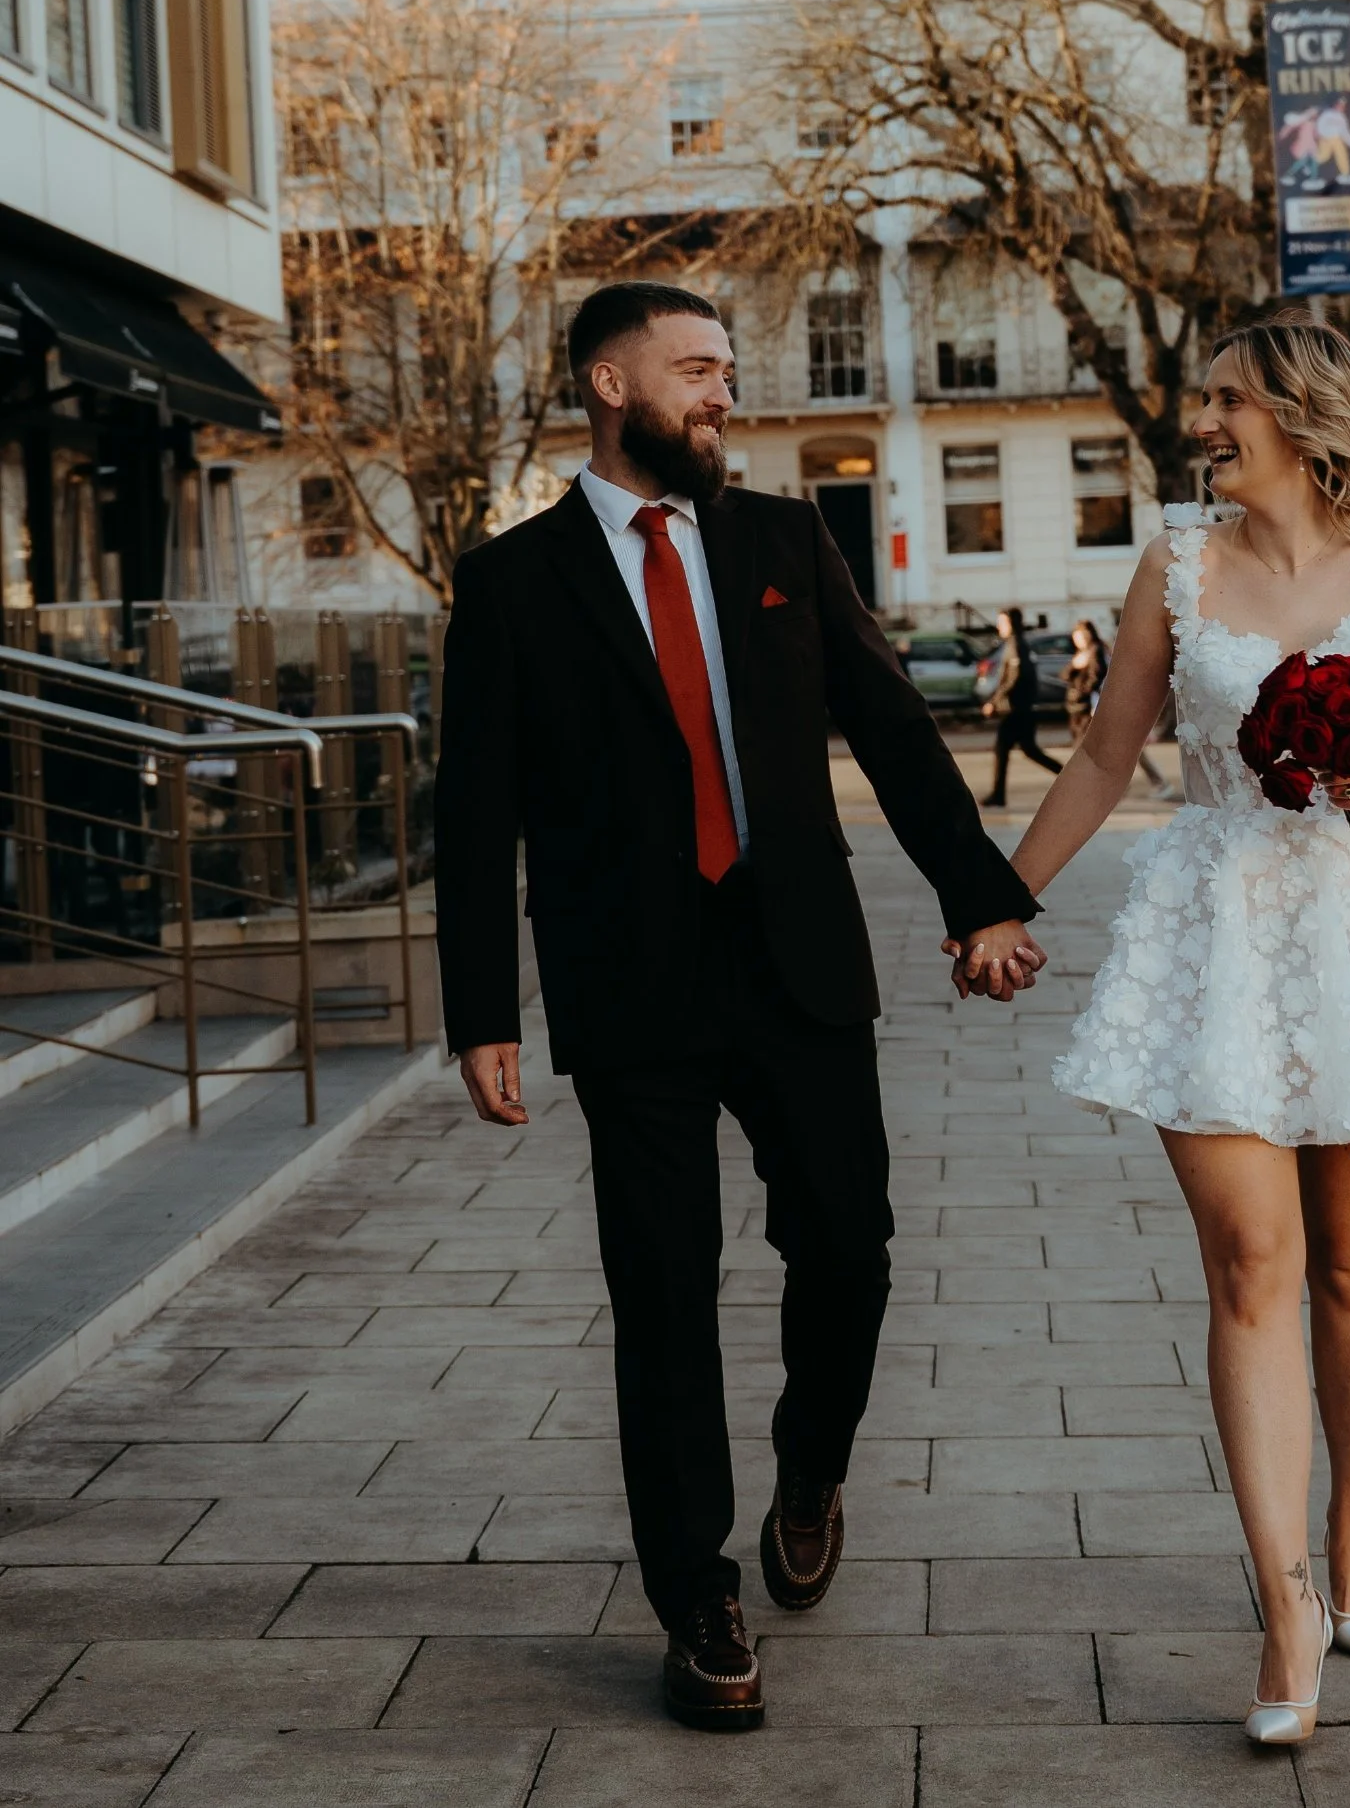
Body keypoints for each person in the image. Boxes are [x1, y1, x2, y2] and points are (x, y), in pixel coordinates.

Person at [433, 282, 1042, 1734]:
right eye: (695, 369)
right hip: (626, 981)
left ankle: (811, 1462)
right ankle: (694, 1596)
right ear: (606, 383)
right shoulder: (513, 583)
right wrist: (479, 1011)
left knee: (849, 1242)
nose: (723, 394)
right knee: (661, 1289)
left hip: (798, 964)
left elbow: (891, 725)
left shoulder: (780, 537)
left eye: (725, 370)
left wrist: (981, 896)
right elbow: (475, 812)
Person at [960, 320, 1350, 1749]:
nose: (1204, 422)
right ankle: (1283, 1597)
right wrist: (998, 900)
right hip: (1214, 927)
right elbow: (1111, 749)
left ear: (1298, 415)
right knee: (1251, 1265)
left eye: (1226, 400)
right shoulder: (1174, 563)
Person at [980, 606, 1063, 807]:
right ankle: (1071, 779)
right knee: (1030, 750)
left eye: (1002, 622)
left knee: (1004, 749)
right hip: (1020, 709)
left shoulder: (1017, 645)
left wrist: (994, 701)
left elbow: (1016, 677)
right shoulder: (1015, 644)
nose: (999, 626)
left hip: (1018, 710)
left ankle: (998, 796)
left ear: (1010, 623)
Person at [1063, 619, 1107, 740]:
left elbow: (1097, 675)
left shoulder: (1095, 651)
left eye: (1081, 637)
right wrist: (1074, 666)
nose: (1078, 641)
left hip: (1087, 703)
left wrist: (1082, 692)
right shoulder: (1080, 653)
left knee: (1083, 741)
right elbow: (1064, 675)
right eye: (1076, 637)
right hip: (1076, 704)